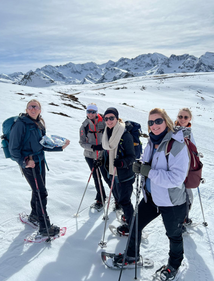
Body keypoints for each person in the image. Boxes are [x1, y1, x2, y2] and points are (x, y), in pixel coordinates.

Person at [112, 108, 190, 281]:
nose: (154, 126)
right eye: (150, 122)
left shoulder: (177, 145)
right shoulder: (152, 142)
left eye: (158, 121)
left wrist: (148, 171)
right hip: (151, 197)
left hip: (172, 202)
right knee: (134, 224)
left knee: (174, 235)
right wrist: (140, 165)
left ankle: (174, 265)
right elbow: (149, 163)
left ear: (167, 121)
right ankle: (132, 256)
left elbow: (177, 178)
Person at [9, 99, 70, 236]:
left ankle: (35, 215)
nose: (33, 109)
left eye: (36, 107)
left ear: (40, 110)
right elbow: (13, 149)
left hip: (40, 161)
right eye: (30, 106)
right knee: (41, 193)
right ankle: (44, 227)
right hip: (29, 163)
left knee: (37, 190)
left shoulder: (39, 124)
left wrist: (60, 147)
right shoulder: (20, 124)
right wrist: (25, 163)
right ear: (26, 109)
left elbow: (43, 145)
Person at [102, 107, 136, 236]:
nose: (109, 121)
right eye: (106, 119)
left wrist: (122, 162)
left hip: (124, 175)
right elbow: (107, 151)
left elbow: (132, 157)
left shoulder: (125, 135)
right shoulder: (107, 133)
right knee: (120, 199)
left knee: (125, 201)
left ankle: (131, 225)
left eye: (112, 118)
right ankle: (128, 217)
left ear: (117, 118)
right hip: (112, 173)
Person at [79, 103, 111, 211]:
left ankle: (117, 197)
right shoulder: (84, 126)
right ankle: (101, 198)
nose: (91, 114)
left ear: (96, 112)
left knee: (107, 176)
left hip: (103, 155)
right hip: (90, 156)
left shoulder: (104, 122)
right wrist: (92, 147)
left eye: (93, 112)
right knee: (96, 177)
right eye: (89, 112)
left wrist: (104, 147)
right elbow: (82, 142)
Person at [175, 107, 195, 227]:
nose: (182, 119)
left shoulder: (189, 132)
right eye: (180, 116)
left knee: (188, 195)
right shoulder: (172, 130)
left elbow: (193, 150)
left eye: (185, 117)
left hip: (187, 169)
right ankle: (179, 219)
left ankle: (184, 217)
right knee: (180, 195)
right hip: (175, 168)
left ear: (190, 119)